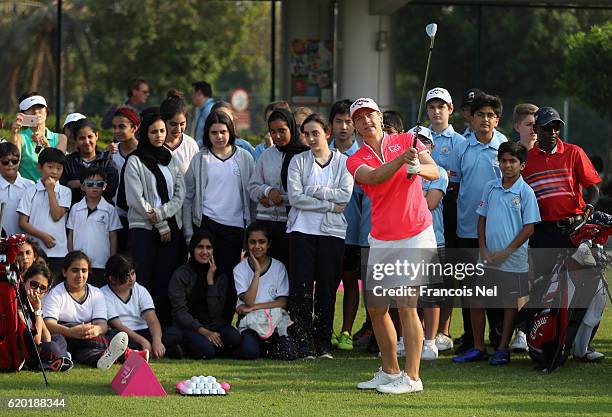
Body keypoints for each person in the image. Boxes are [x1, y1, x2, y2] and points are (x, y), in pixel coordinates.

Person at [346, 98, 439, 395]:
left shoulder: (407, 140)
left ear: (379, 116)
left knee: (406, 305)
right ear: (355, 126)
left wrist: (417, 167)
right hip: (382, 237)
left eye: (370, 114)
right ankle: (389, 370)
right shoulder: (355, 158)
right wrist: (402, 162)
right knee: (375, 307)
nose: (366, 121)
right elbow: (373, 177)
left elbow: (434, 171)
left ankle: (412, 378)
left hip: (415, 233)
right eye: (359, 118)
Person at [522, 106, 603, 360]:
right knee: (545, 290)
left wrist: (589, 208)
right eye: (547, 128)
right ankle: (545, 341)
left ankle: (582, 346)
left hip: (575, 229)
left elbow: (593, 189)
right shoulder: (527, 160)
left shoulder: (574, 152)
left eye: (557, 127)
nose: (553, 132)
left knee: (590, 287)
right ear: (536, 130)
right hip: (543, 233)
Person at [454, 141, 540, 365]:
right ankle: (478, 347)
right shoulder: (490, 187)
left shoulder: (525, 192)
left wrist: (506, 252)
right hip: (488, 258)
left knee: (509, 304)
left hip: (513, 260)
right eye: (503, 160)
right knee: (476, 300)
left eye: (513, 161)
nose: (507, 165)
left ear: (522, 165)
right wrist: (482, 248)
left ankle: (502, 349)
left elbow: (529, 228)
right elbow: (481, 219)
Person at [287, 113, 353, 359]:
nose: (312, 138)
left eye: (316, 133)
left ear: (327, 133)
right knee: (301, 289)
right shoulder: (298, 162)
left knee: (327, 289)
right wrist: (327, 202)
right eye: (307, 134)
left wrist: (313, 192)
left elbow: (344, 196)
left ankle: (323, 343)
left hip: (332, 234)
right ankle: (303, 343)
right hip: (301, 232)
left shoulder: (343, 162)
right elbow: (295, 197)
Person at [448, 93, 507, 354]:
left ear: (497, 119)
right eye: (480, 114)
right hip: (466, 228)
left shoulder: (504, 147)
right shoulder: (461, 146)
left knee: (496, 287)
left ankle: (498, 340)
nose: (485, 119)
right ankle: (474, 342)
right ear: (472, 118)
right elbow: (455, 184)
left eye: (490, 115)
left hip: (497, 231)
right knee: (471, 289)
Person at [182, 111, 255, 323]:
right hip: (206, 225)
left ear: (230, 132)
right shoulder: (200, 158)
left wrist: (250, 229)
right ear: (208, 134)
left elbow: (252, 196)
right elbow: (188, 196)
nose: (219, 136)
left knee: (230, 278)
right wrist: (189, 231)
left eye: (223, 131)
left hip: (234, 228)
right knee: (204, 277)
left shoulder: (244, 157)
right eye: (214, 132)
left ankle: (224, 323)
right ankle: (203, 324)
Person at [119, 112, 186, 325]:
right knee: (144, 278)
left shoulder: (171, 159)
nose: (158, 135)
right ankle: (142, 326)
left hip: (171, 228)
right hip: (144, 230)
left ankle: (165, 327)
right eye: (153, 131)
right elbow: (136, 199)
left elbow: (180, 193)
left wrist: (162, 215)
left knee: (166, 278)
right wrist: (160, 223)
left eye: (162, 131)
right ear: (145, 133)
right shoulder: (135, 161)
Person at [424, 87, 467, 353]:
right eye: (432, 107)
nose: (436, 111)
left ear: (450, 109)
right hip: (426, 211)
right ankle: (422, 331)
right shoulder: (418, 137)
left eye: (441, 106)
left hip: (452, 207)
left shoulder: (462, 143)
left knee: (448, 274)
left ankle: (444, 331)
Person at [328, 99, 371, 352]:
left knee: (353, 283)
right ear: (330, 124)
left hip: (356, 236)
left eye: (348, 121)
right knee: (327, 284)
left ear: (355, 126)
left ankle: (346, 331)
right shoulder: (322, 154)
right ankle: (325, 329)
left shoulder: (363, 156)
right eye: (338, 121)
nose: (343, 127)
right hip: (326, 232)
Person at [42, 251, 129, 369]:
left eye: (84, 270)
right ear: (64, 272)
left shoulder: (96, 293)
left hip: (88, 339)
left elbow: (102, 324)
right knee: (64, 338)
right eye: (75, 270)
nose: (80, 275)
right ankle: (128, 353)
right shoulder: (55, 294)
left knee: (83, 353)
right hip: (65, 337)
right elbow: (49, 324)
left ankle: (102, 357)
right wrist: (70, 331)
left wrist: (95, 330)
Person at [408, 126, 449, 361]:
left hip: (434, 239)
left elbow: (431, 203)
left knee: (431, 294)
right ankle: (409, 339)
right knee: (407, 294)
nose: (419, 146)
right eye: (416, 142)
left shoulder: (439, 172)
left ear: (430, 148)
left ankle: (430, 341)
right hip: (406, 239)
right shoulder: (402, 170)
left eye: (424, 143)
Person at [248, 108, 308, 268]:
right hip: (266, 224)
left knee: (291, 270)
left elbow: (307, 192)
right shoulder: (266, 155)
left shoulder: (304, 155)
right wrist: (267, 191)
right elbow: (253, 188)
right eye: (273, 132)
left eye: (282, 130)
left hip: (293, 224)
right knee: (266, 271)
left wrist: (281, 198)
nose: (277, 136)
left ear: (291, 128)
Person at [168, 230, 241, 359]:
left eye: (209, 247)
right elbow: (180, 312)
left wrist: (210, 282)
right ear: (192, 249)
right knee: (207, 351)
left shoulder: (219, 275)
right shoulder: (181, 274)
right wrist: (204, 331)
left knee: (234, 338)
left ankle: (206, 346)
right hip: (190, 327)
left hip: (213, 325)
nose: (204, 252)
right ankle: (190, 346)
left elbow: (215, 312)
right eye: (200, 247)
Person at [233, 222, 297, 360]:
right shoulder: (239, 269)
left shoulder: (279, 267)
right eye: (253, 242)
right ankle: (251, 345)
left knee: (288, 354)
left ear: (268, 244)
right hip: (250, 322)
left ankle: (264, 346)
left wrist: (256, 307)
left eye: (261, 242)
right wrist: (256, 272)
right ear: (247, 244)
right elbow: (248, 300)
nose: (257, 246)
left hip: (273, 320)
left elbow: (282, 302)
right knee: (249, 353)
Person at [102, 254, 183, 359]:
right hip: (124, 334)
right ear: (112, 279)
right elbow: (118, 325)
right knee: (111, 338)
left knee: (175, 333)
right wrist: (143, 341)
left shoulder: (140, 290)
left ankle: (149, 350)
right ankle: (157, 351)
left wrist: (157, 341)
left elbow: (152, 320)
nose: (131, 279)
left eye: (132, 273)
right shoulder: (103, 294)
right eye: (126, 276)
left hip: (144, 331)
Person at [17, 147, 71, 277]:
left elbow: (56, 215)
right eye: (50, 167)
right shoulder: (30, 191)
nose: (54, 171)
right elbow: (22, 222)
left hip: (58, 251)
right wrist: (42, 236)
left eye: (59, 168)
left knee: (54, 286)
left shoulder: (65, 192)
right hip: (35, 252)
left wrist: (51, 190)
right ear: (40, 167)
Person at [67, 168, 123, 287]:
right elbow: (71, 234)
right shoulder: (75, 208)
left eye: (99, 184)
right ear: (82, 187)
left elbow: (113, 236)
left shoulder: (109, 210)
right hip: (79, 264)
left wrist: (111, 261)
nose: (95, 187)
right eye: (90, 184)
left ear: (104, 186)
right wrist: (71, 256)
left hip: (101, 263)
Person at [19, 263, 73, 372]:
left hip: (37, 348)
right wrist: (37, 311)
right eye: (34, 284)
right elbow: (35, 340)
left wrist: (48, 344)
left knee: (58, 338)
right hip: (24, 352)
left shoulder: (32, 303)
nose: (37, 291)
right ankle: (57, 360)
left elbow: (46, 333)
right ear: (24, 281)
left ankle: (57, 359)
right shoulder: (18, 304)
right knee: (51, 346)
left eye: (42, 288)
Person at [9, 92, 67, 181]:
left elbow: (58, 165)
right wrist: (13, 134)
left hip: (52, 190)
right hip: (26, 192)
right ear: (22, 114)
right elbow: (12, 164)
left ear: (46, 111)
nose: (36, 111)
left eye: (39, 107)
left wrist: (45, 144)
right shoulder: (19, 137)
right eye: (30, 108)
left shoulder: (61, 138)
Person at [60, 118, 119, 206]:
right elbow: (62, 187)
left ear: (97, 136)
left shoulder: (107, 162)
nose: (87, 142)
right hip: (73, 213)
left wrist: (79, 183)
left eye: (90, 136)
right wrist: (97, 184)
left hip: (103, 213)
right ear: (75, 140)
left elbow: (110, 191)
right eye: (82, 138)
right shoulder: (68, 162)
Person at [160, 90, 199, 174]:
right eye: (173, 124)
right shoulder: (155, 144)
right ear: (163, 121)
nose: (178, 129)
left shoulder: (190, 145)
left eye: (182, 124)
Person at [0, 142, 34, 236]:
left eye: (14, 161)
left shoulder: (30, 186)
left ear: (19, 161)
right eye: (5, 162)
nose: (10, 164)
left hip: (24, 244)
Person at [191, 81, 215, 148]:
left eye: (193, 93)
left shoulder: (210, 110)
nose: (192, 97)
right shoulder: (200, 109)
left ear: (199, 93)